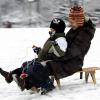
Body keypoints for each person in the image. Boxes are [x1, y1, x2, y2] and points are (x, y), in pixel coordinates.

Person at [0, 18, 67, 95]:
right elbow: (48, 52)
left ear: (57, 30)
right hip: (46, 61)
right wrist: (38, 50)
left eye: (52, 28)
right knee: (26, 64)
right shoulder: (53, 38)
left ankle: (46, 85)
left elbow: (60, 54)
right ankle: (10, 76)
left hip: (53, 64)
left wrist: (54, 44)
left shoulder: (61, 40)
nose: (50, 30)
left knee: (33, 68)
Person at [46, 6, 96, 80]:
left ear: (79, 22)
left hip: (73, 63)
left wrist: (56, 57)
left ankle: (44, 85)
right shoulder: (75, 29)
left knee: (42, 67)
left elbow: (72, 52)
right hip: (66, 60)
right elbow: (64, 45)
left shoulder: (84, 34)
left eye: (72, 22)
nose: (70, 23)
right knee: (35, 64)